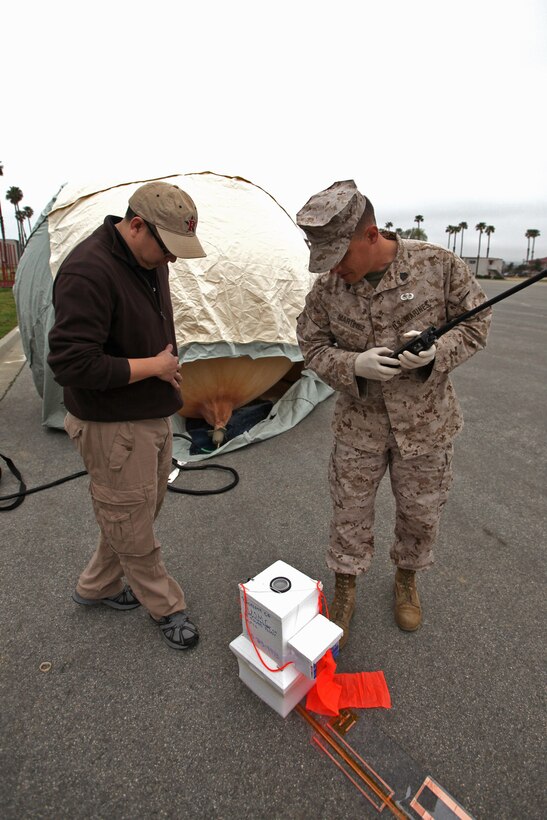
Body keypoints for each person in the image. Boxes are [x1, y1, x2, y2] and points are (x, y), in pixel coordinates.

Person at [295, 180, 491, 648]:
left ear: (371, 234)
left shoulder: (439, 266)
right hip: (358, 427)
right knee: (349, 514)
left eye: (339, 255)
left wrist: (437, 353)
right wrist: (351, 364)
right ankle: (345, 587)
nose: (334, 269)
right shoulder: (328, 289)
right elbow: (311, 345)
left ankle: (406, 578)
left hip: (426, 425)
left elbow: (476, 325)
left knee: (421, 515)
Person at [47, 181, 206, 651]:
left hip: (148, 411)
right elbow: (71, 365)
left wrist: (164, 368)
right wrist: (153, 367)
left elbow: (146, 320)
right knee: (132, 523)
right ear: (136, 225)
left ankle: (96, 585)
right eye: (168, 248)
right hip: (113, 425)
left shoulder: (147, 259)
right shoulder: (87, 272)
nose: (172, 259)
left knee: (133, 512)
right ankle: (166, 606)